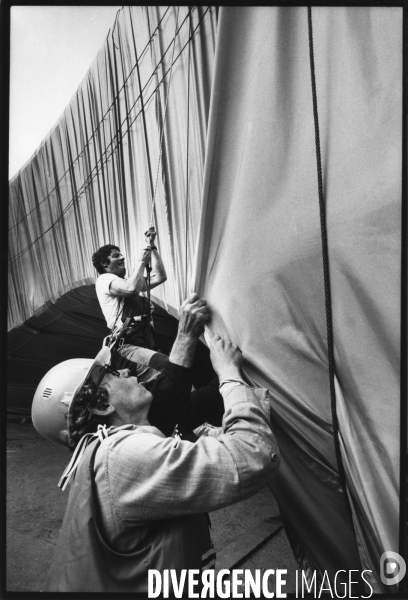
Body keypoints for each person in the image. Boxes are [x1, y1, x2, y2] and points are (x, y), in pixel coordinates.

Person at [31, 294, 280, 593]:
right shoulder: (120, 456)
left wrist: (209, 434)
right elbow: (253, 456)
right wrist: (228, 373)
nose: (125, 371)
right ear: (100, 403)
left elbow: (168, 406)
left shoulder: (107, 453)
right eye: (112, 373)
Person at [92, 228, 169, 386]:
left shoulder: (129, 282)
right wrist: (141, 262)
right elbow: (131, 288)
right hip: (125, 347)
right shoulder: (105, 280)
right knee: (169, 369)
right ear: (104, 264)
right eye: (116, 256)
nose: (122, 258)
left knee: (164, 383)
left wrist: (152, 246)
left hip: (142, 343)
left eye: (121, 254)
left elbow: (161, 276)